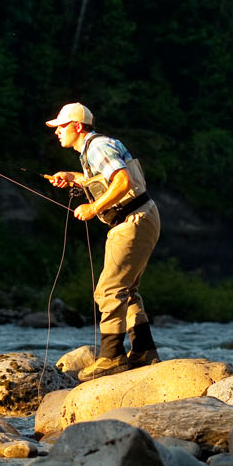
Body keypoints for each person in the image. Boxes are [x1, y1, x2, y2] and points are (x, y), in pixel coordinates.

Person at [44, 102, 161, 380]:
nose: (57, 132)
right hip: (141, 218)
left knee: (109, 290)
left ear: (77, 126)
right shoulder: (96, 147)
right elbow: (107, 179)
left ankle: (112, 357)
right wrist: (73, 178)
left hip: (133, 221)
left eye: (61, 127)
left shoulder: (96, 147)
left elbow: (122, 182)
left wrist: (92, 208)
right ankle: (144, 350)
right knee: (126, 289)